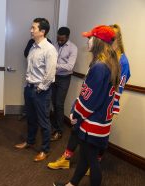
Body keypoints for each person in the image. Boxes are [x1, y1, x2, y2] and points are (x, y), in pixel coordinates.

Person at [47, 24, 131, 170]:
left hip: (103, 108)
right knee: (77, 129)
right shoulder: (102, 58)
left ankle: (92, 166)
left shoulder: (121, 61)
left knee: (97, 140)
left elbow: (117, 89)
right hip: (90, 102)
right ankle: (67, 158)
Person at [53, 25, 120, 186]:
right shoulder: (111, 63)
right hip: (100, 123)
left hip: (93, 123)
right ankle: (72, 185)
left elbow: (90, 100)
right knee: (85, 156)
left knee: (92, 161)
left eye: (90, 38)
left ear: (98, 42)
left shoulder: (99, 67)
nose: (87, 41)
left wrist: (76, 114)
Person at [15, 18, 57, 162]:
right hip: (29, 88)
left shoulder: (50, 49)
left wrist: (40, 88)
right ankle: (30, 141)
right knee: (31, 119)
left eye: (34, 28)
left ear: (42, 31)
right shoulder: (33, 46)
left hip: (41, 92)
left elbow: (50, 74)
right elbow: (30, 69)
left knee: (44, 121)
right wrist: (28, 84)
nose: (31, 30)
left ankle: (45, 150)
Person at [51, 27, 78, 141]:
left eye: (62, 40)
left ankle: (59, 131)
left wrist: (55, 66)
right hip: (53, 77)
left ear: (67, 37)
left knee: (59, 104)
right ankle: (55, 126)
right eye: (58, 39)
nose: (60, 42)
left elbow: (70, 66)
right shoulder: (55, 45)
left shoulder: (73, 48)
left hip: (64, 78)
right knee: (53, 102)